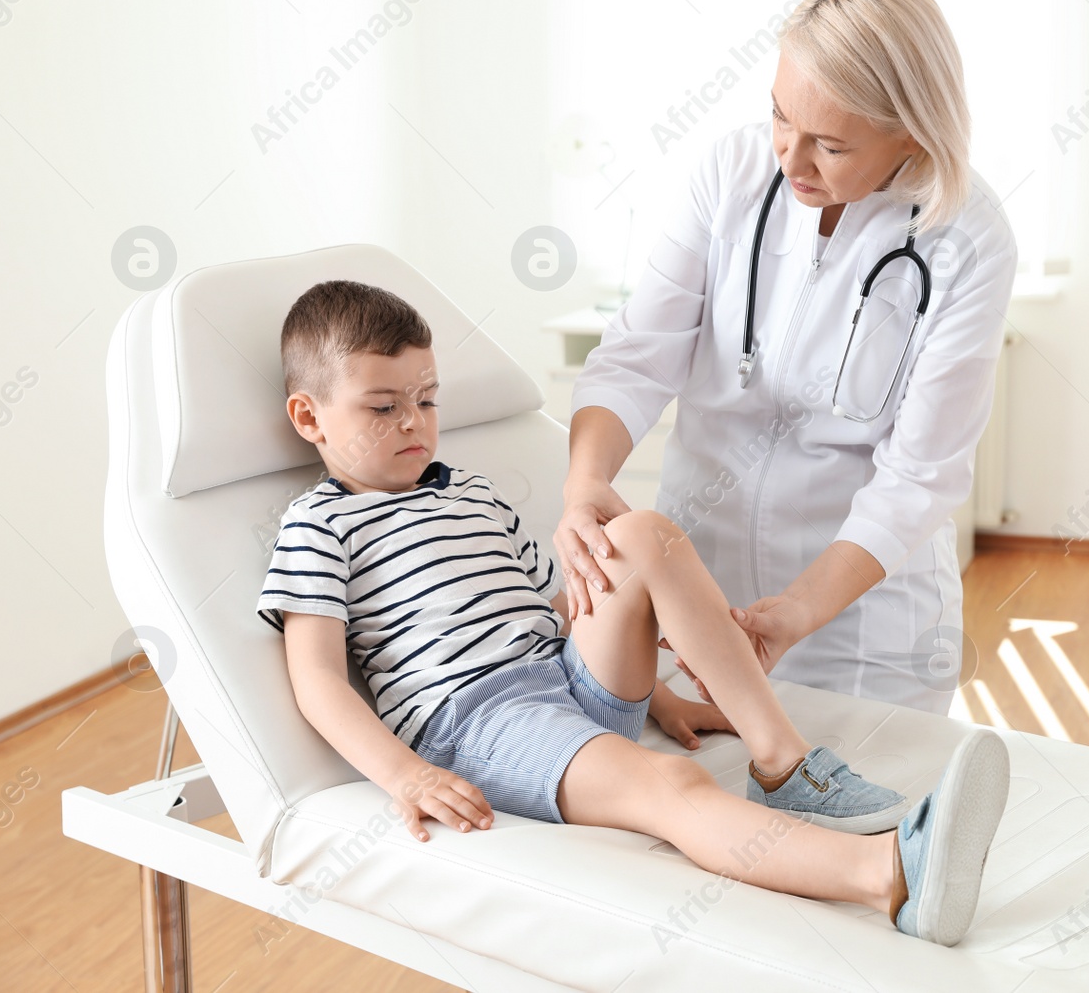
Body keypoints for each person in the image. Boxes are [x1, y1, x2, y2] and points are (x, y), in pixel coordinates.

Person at [254, 280, 1011, 946]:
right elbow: (319, 679)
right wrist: (407, 775)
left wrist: (658, 691)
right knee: (673, 788)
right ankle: (893, 877)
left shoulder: (472, 494)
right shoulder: (320, 526)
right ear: (309, 417)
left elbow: (559, 602)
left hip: (563, 675)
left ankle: (786, 763)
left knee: (639, 530)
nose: (414, 422)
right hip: (481, 719)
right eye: (383, 407)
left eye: (426, 400)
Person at [557, 0, 1016, 715]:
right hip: (695, 596)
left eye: (831, 146)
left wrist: (800, 610)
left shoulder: (967, 238)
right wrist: (584, 485)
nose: (790, 160)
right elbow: (638, 353)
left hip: (860, 626)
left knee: (861, 812)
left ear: (912, 133)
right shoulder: (731, 173)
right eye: (779, 118)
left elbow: (919, 476)